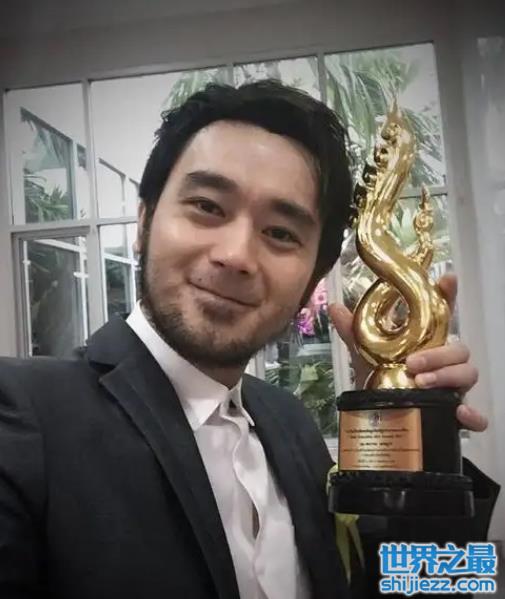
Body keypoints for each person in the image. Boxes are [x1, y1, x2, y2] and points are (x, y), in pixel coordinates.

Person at [0, 80, 498, 599]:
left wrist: (414, 436)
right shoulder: (21, 417)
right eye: (207, 206)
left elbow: (413, 585)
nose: (236, 255)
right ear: (144, 222)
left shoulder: (291, 423)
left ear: (313, 278)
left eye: (281, 233)